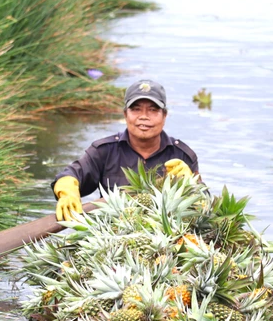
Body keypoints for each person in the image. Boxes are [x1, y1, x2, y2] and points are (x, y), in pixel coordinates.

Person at [52, 80, 199, 221]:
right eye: (136, 109)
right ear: (125, 115)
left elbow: (204, 205)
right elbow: (71, 174)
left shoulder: (182, 155)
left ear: (164, 116)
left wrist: (191, 186)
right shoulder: (105, 151)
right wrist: (67, 193)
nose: (143, 117)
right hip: (114, 233)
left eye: (153, 110)